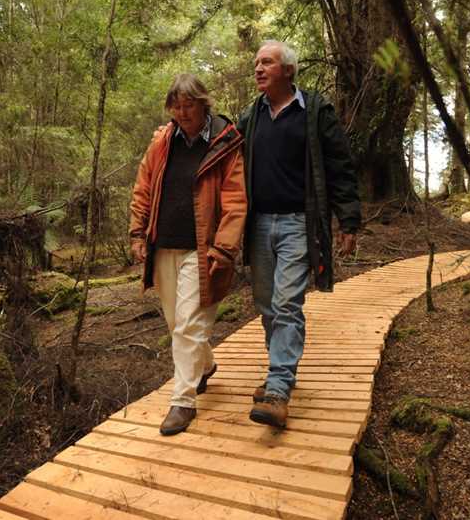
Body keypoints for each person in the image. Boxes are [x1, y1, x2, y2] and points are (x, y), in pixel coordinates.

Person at [238, 40, 361, 428]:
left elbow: (340, 165)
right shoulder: (251, 116)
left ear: (288, 70)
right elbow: (222, 148)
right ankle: (279, 369)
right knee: (266, 304)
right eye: (257, 62)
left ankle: (278, 389)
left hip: (297, 223)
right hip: (258, 224)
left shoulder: (315, 111)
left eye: (267, 62)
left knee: (287, 301)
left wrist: (349, 220)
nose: (259, 68)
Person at [129, 74, 247, 435]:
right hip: (163, 246)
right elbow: (144, 187)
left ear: (203, 103)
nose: (182, 113)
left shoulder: (225, 144)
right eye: (176, 107)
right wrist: (137, 231)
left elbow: (235, 201)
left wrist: (224, 248)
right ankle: (205, 364)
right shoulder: (163, 142)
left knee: (188, 325)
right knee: (176, 324)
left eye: (188, 105)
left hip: (203, 249)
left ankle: (183, 401)